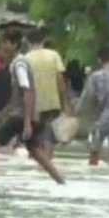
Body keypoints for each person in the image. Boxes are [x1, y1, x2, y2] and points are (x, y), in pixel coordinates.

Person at [0, 29, 65, 184]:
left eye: (5, 43)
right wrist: (5, 113)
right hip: (29, 114)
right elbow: (19, 94)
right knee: (34, 150)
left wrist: (27, 122)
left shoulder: (19, 64)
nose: (2, 46)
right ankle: (61, 182)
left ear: (14, 45)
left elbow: (27, 91)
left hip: (21, 116)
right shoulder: (17, 62)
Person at [25, 27, 70, 158]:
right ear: (44, 40)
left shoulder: (25, 59)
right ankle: (48, 163)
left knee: (34, 136)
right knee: (49, 136)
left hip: (32, 104)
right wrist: (65, 102)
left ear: (27, 42)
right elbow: (60, 80)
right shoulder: (54, 55)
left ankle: (35, 163)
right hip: (52, 101)